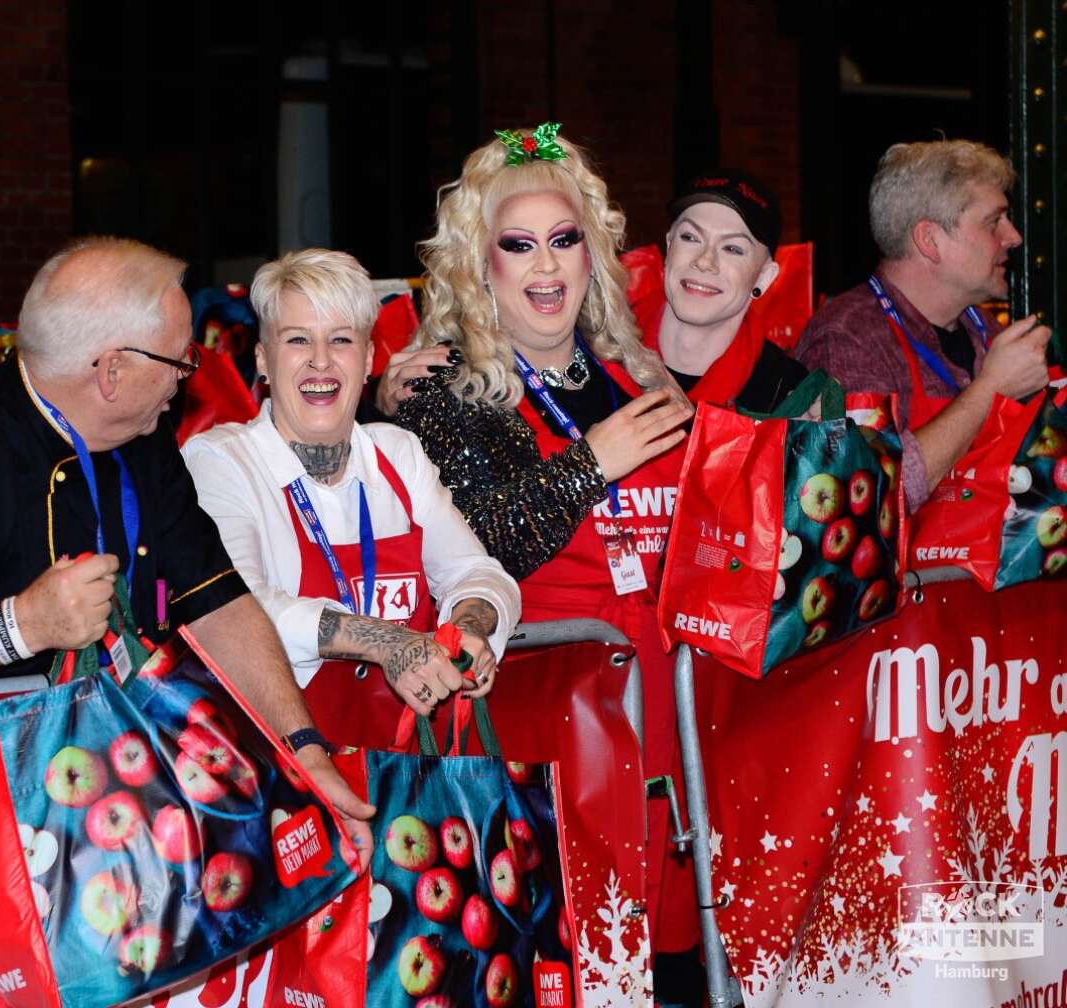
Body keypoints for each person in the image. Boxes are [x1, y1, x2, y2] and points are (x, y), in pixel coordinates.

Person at [0, 236, 374, 863]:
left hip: (134, 806)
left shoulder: (143, 437)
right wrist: (19, 625)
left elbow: (218, 602)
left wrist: (303, 750)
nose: (187, 377)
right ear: (113, 370)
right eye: (180, 359)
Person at [381, 123, 703, 999]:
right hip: (539, 727)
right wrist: (593, 460)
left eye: (565, 241)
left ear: (594, 255)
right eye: (517, 246)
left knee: (671, 968)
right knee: (567, 964)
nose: (546, 267)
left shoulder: (638, 376)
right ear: (479, 268)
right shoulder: (441, 394)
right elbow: (487, 546)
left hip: (667, 718)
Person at [182, 249, 520, 748]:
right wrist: (387, 642)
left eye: (341, 340)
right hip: (290, 763)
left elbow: (479, 572)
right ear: (262, 359)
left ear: (367, 359)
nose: (321, 361)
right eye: (298, 340)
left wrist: (469, 629)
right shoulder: (221, 459)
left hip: (411, 770)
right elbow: (241, 610)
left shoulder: (395, 451)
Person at [795, 140, 1050, 510]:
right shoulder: (847, 338)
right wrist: (990, 390)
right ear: (930, 240)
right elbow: (866, 499)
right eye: (994, 221)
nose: (1013, 238)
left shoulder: (987, 331)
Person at [646, 170, 808, 411]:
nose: (704, 261)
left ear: (764, 277)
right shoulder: (601, 353)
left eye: (732, 249)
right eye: (690, 237)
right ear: (669, 246)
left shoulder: (787, 398)